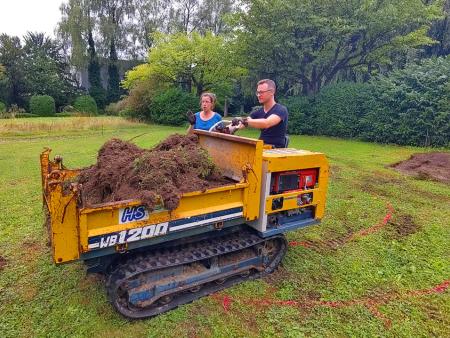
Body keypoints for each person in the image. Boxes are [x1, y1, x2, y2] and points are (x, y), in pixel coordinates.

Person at [235, 79, 288, 148]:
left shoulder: (281, 110)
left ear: (272, 92)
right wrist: (228, 128)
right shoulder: (258, 112)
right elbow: (243, 123)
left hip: (276, 151)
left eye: (261, 92)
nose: (258, 95)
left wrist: (247, 121)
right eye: (257, 92)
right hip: (260, 147)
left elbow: (266, 123)